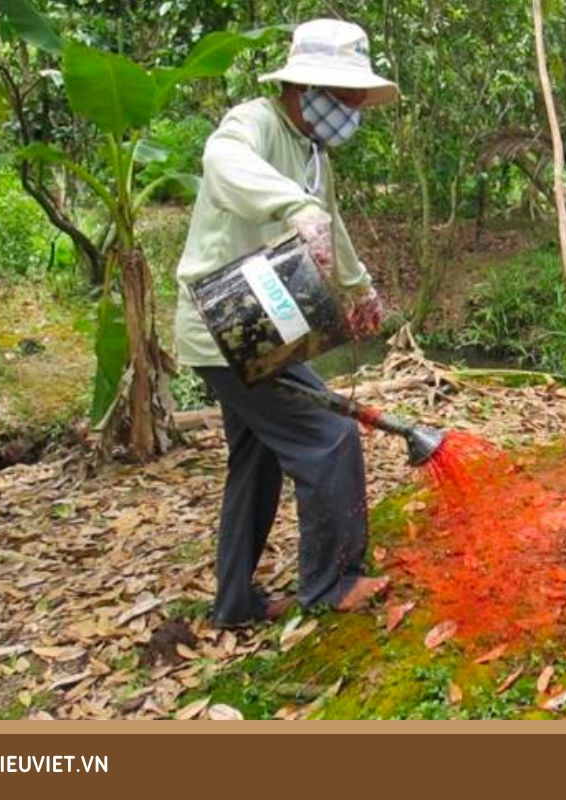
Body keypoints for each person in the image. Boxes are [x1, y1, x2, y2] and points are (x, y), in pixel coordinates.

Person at [173, 19, 397, 627]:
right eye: (344, 98)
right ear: (304, 88)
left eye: (356, 100)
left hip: (257, 326)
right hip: (224, 328)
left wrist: (359, 288)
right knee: (330, 438)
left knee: (258, 458)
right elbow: (222, 161)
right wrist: (290, 205)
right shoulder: (252, 123)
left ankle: (234, 603)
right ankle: (331, 583)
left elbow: (328, 221)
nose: (351, 110)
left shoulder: (310, 151)